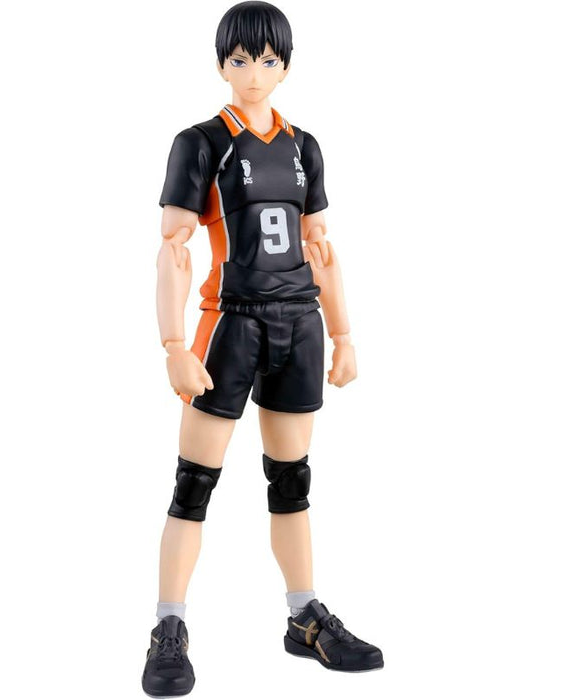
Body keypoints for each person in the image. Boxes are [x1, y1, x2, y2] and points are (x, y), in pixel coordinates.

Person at [142, 2, 383, 696]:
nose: (254, 72)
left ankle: (304, 616)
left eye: (268, 59)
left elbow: (321, 247)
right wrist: (172, 343)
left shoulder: (305, 146)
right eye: (241, 59)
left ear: (286, 67)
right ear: (222, 64)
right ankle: (167, 626)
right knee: (194, 484)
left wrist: (343, 333)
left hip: (299, 322)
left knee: (292, 481)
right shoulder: (201, 142)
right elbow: (174, 248)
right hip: (231, 324)